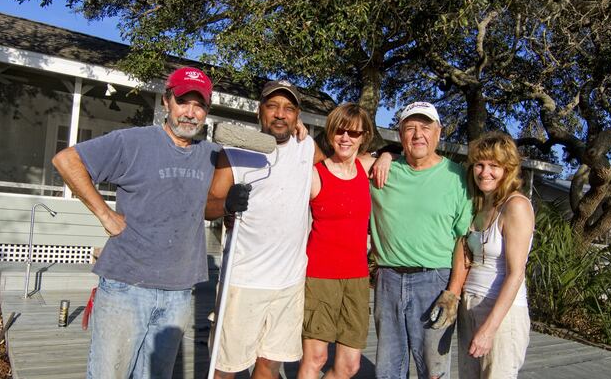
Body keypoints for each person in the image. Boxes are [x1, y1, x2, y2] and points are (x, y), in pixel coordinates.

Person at [52, 67, 220, 379]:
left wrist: (300, 138)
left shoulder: (212, 156)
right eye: (184, 102)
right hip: (125, 287)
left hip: (179, 292)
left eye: (199, 106)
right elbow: (66, 161)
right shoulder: (133, 142)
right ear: (166, 102)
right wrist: (105, 215)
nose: (190, 113)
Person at [205, 80, 325, 379]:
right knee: (227, 367)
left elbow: (338, 166)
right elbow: (208, 207)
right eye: (272, 106)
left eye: (289, 108)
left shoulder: (306, 146)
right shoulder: (234, 152)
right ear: (260, 111)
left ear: (298, 116)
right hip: (243, 281)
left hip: (289, 282)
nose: (280, 114)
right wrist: (228, 205)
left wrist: (385, 155)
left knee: (270, 365)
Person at [369, 101, 473, 379]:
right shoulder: (381, 172)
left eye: (425, 127)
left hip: (435, 282)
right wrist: (384, 154)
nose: (418, 135)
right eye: (410, 128)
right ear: (400, 135)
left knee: (434, 370)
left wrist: (452, 292)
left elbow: (464, 241)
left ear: (438, 132)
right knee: (388, 368)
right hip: (388, 281)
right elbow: (338, 158)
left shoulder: (458, 177)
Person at [297, 104, 377, 379]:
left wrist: (388, 156)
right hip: (320, 277)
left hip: (357, 278)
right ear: (330, 134)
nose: (346, 138)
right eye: (340, 131)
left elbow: (397, 157)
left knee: (349, 366)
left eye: (353, 133)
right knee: (315, 359)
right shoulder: (315, 173)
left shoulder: (366, 166)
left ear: (363, 136)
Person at [456, 132, 535, 379]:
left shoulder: (516, 206)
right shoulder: (481, 204)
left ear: (508, 170)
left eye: (494, 166)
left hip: (501, 313)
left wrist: (489, 329)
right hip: (469, 304)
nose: (484, 172)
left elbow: (516, 274)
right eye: (479, 164)